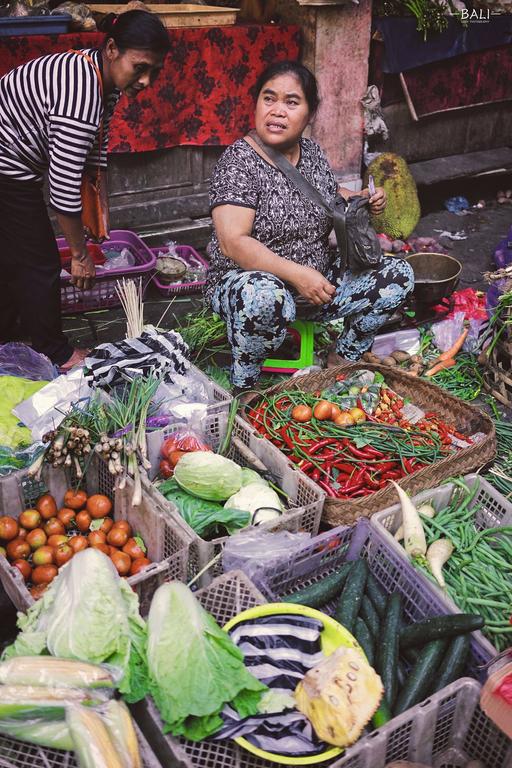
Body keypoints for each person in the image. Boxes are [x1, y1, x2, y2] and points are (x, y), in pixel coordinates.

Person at [204, 61, 414, 391]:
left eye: (291, 102)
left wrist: (361, 198)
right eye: (269, 98)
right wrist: (298, 275)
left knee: (398, 275)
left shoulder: (312, 153)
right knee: (263, 295)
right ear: (256, 103)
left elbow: (327, 195)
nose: (277, 111)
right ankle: (245, 385)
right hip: (250, 287)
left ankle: (343, 359)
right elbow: (234, 242)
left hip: (316, 284)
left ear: (310, 113)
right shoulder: (238, 162)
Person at [0, 10, 170, 370]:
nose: (146, 81)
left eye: (154, 71)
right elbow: (62, 189)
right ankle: (56, 352)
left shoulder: (99, 76)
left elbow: (94, 150)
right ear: (112, 49)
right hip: (7, 167)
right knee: (40, 260)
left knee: (14, 254)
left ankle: (9, 334)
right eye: (140, 67)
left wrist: (99, 211)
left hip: (13, 165)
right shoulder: (82, 92)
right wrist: (80, 255)